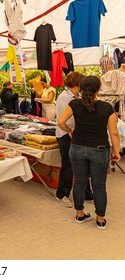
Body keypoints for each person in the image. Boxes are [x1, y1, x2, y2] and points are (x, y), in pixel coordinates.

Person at [57, 75, 120, 230]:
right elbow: (114, 133)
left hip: (77, 148)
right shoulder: (107, 108)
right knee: (99, 186)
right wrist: (116, 151)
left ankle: (80, 214)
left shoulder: (74, 104)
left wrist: (70, 131)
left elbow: (60, 122)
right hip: (99, 150)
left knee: (79, 182)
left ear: (82, 88)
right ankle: (100, 219)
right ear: (98, 89)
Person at [55, 72, 93, 208]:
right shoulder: (64, 97)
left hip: (78, 134)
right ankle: (62, 194)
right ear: (77, 84)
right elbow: (64, 119)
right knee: (68, 166)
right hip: (66, 134)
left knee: (84, 165)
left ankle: (87, 194)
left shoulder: (78, 96)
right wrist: (70, 130)